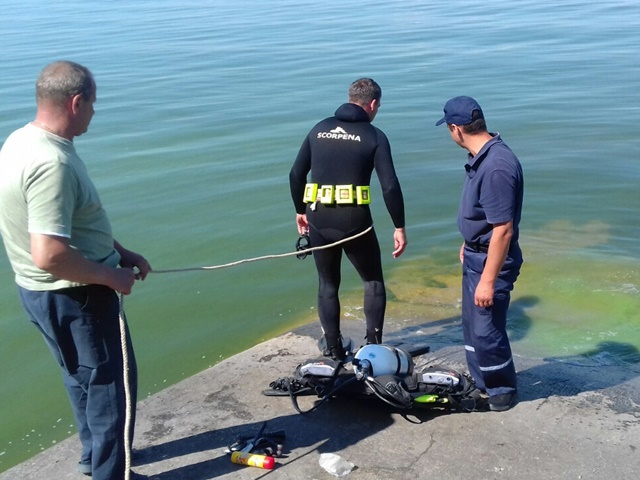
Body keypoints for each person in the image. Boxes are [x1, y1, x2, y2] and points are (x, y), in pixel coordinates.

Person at [0, 61, 151, 479]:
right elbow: (50, 254)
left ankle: (91, 458)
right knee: (110, 390)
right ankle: (111, 474)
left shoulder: (21, 140)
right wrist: (112, 277)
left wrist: (120, 252)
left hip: (38, 293)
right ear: (76, 102)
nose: (94, 113)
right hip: (77, 296)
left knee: (80, 378)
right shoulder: (53, 163)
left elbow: (71, 225)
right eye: (93, 105)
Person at [289, 78, 407, 361]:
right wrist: (399, 226)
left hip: (319, 218)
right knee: (373, 282)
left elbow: (296, 174)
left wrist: (300, 210)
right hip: (355, 223)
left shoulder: (319, 129)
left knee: (328, 284)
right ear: (373, 104)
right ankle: (373, 349)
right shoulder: (374, 136)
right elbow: (390, 186)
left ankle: (333, 348)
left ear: (350, 97)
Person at [435, 96, 523, 411]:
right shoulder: (481, 157)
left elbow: (504, 230)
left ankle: (502, 390)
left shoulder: (496, 166)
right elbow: (485, 217)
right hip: (476, 253)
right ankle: (482, 381)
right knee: (472, 326)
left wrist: (488, 280)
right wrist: (469, 240)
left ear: (456, 129)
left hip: (491, 261)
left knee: (487, 329)